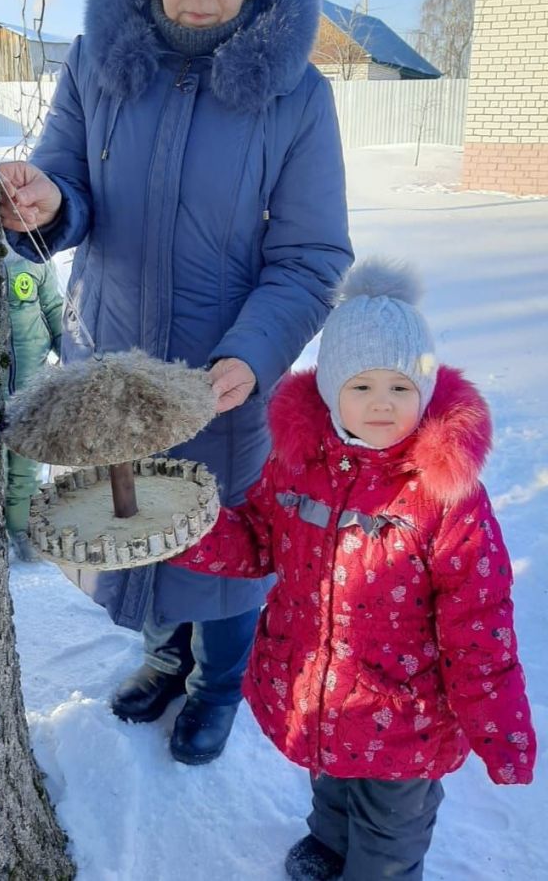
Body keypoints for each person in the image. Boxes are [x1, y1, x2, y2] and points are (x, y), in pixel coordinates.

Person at [0, 0, 353, 765]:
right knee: (138, 523)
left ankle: (218, 681)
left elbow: (310, 258)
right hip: (113, 367)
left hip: (221, 381)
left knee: (223, 547)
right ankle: (163, 652)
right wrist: (44, 203)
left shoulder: (300, 98)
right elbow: (68, 186)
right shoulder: (94, 63)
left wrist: (252, 355)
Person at [169, 257, 535, 880]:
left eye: (400, 387)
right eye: (361, 387)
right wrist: (189, 529)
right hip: (321, 691)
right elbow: (258, 540)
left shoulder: (445, 497)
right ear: (331, 388)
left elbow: (481, 625)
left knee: (391, 828)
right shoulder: (296, 465)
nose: (382, 405)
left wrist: (499, 729)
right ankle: (329, 840)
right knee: (331, 778)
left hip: (407, 714)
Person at [3, 249, 63, 562]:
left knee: (26, 465)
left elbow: (54, 308)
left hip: (31, 382)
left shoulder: (33, 256)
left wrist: (70, 350)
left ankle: (23, 533)